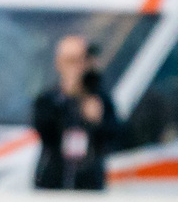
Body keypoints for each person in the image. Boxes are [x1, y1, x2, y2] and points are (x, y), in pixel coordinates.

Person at [31, 33, 124, 190]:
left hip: (88, 181)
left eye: (80, 61)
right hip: (53, 180)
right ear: (59, 63)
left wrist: (96, 120)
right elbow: (45, 132)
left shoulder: (99, 98)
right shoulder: (49, 99)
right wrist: (67, 97)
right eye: (70, 61)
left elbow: (114, 136)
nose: (76, 67)